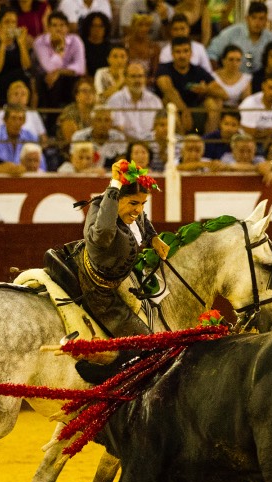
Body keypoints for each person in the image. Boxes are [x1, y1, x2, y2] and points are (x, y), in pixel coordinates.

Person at [70, 159, 170, 381]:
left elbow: (142, 219)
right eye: (134, 203)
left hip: (121, 278)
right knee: (145, 342)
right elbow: (103, 235)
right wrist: (114, 183)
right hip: (99, 289)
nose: (139, 210)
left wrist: (153, 238)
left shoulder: (133, 211)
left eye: (143, 203)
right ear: (116, 199)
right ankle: (102, 375)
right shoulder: (101, 214)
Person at [155, 36, 224, 133]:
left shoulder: (198, 70)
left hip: (195, 110)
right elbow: (168, 90)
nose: (182, 55)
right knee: (168, 102)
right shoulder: (164, 68)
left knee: (214, 102)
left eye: (185, 51)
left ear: (191, 53)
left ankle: (208, 141)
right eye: (178, 52)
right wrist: (184, 110)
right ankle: (180, 144)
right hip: (175, 110)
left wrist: (206, 90)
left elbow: (224, 94)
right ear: (172, 54)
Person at [34, 11, 86, 129]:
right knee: (52, 80)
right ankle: (52, 124)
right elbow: (49, 67)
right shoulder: (40, 42)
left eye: (62, 25)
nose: (58, 29)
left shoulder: (75, 40)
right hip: (46, 81)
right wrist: (60, 51)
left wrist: (59, 72)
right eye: (54, 25)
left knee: (72, 80)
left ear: (67, 28)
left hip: (67, 79)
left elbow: (80, 67)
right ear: (48, 28)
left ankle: (72, 121)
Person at [206, 1, 272, 74]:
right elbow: (212, 53)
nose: (257, 22)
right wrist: (220, 76)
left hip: (261, 81)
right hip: (233, 80)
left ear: (266, 21)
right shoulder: (232, 33)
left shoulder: (271, 39)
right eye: (254, 18)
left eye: (261, 19)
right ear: (247, 18)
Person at [105, 60, 163, 141]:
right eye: (133, 76)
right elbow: (118, 129)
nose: (137, 80)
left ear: (145, 78)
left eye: (140, 76)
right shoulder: (115, 100)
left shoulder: (155, 101)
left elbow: (158, 127)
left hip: (150, 145)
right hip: (124, 145)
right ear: (125, 79)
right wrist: (139, 144)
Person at [0, 8, 32, 100]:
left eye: (13, 22)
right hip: (1, 78)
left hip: (19, 78)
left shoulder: (21, 39)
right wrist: (3, 44)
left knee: (26, 79)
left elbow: (26, 65)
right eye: (6, 22)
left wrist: (21, 44)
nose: (10, 25)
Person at [0, 103, 45, 168]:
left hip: (25, 176)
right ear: (5, 120)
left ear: (24, 121)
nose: (17, 122)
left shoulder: (31, 137)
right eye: (13, 118)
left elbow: (41, 166)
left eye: (20, 119)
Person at [238, 74, 272, 142]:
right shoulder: (250, 103)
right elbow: (249, 133)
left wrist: (263, 132)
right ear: (263, 86)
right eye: (270, 88)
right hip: (247, 141)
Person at [79, 11, 111, 76]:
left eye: (101, 26)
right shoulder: (80, 45)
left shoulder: (110, 47)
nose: (97, 29)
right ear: (88, 27)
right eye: (93, 26)